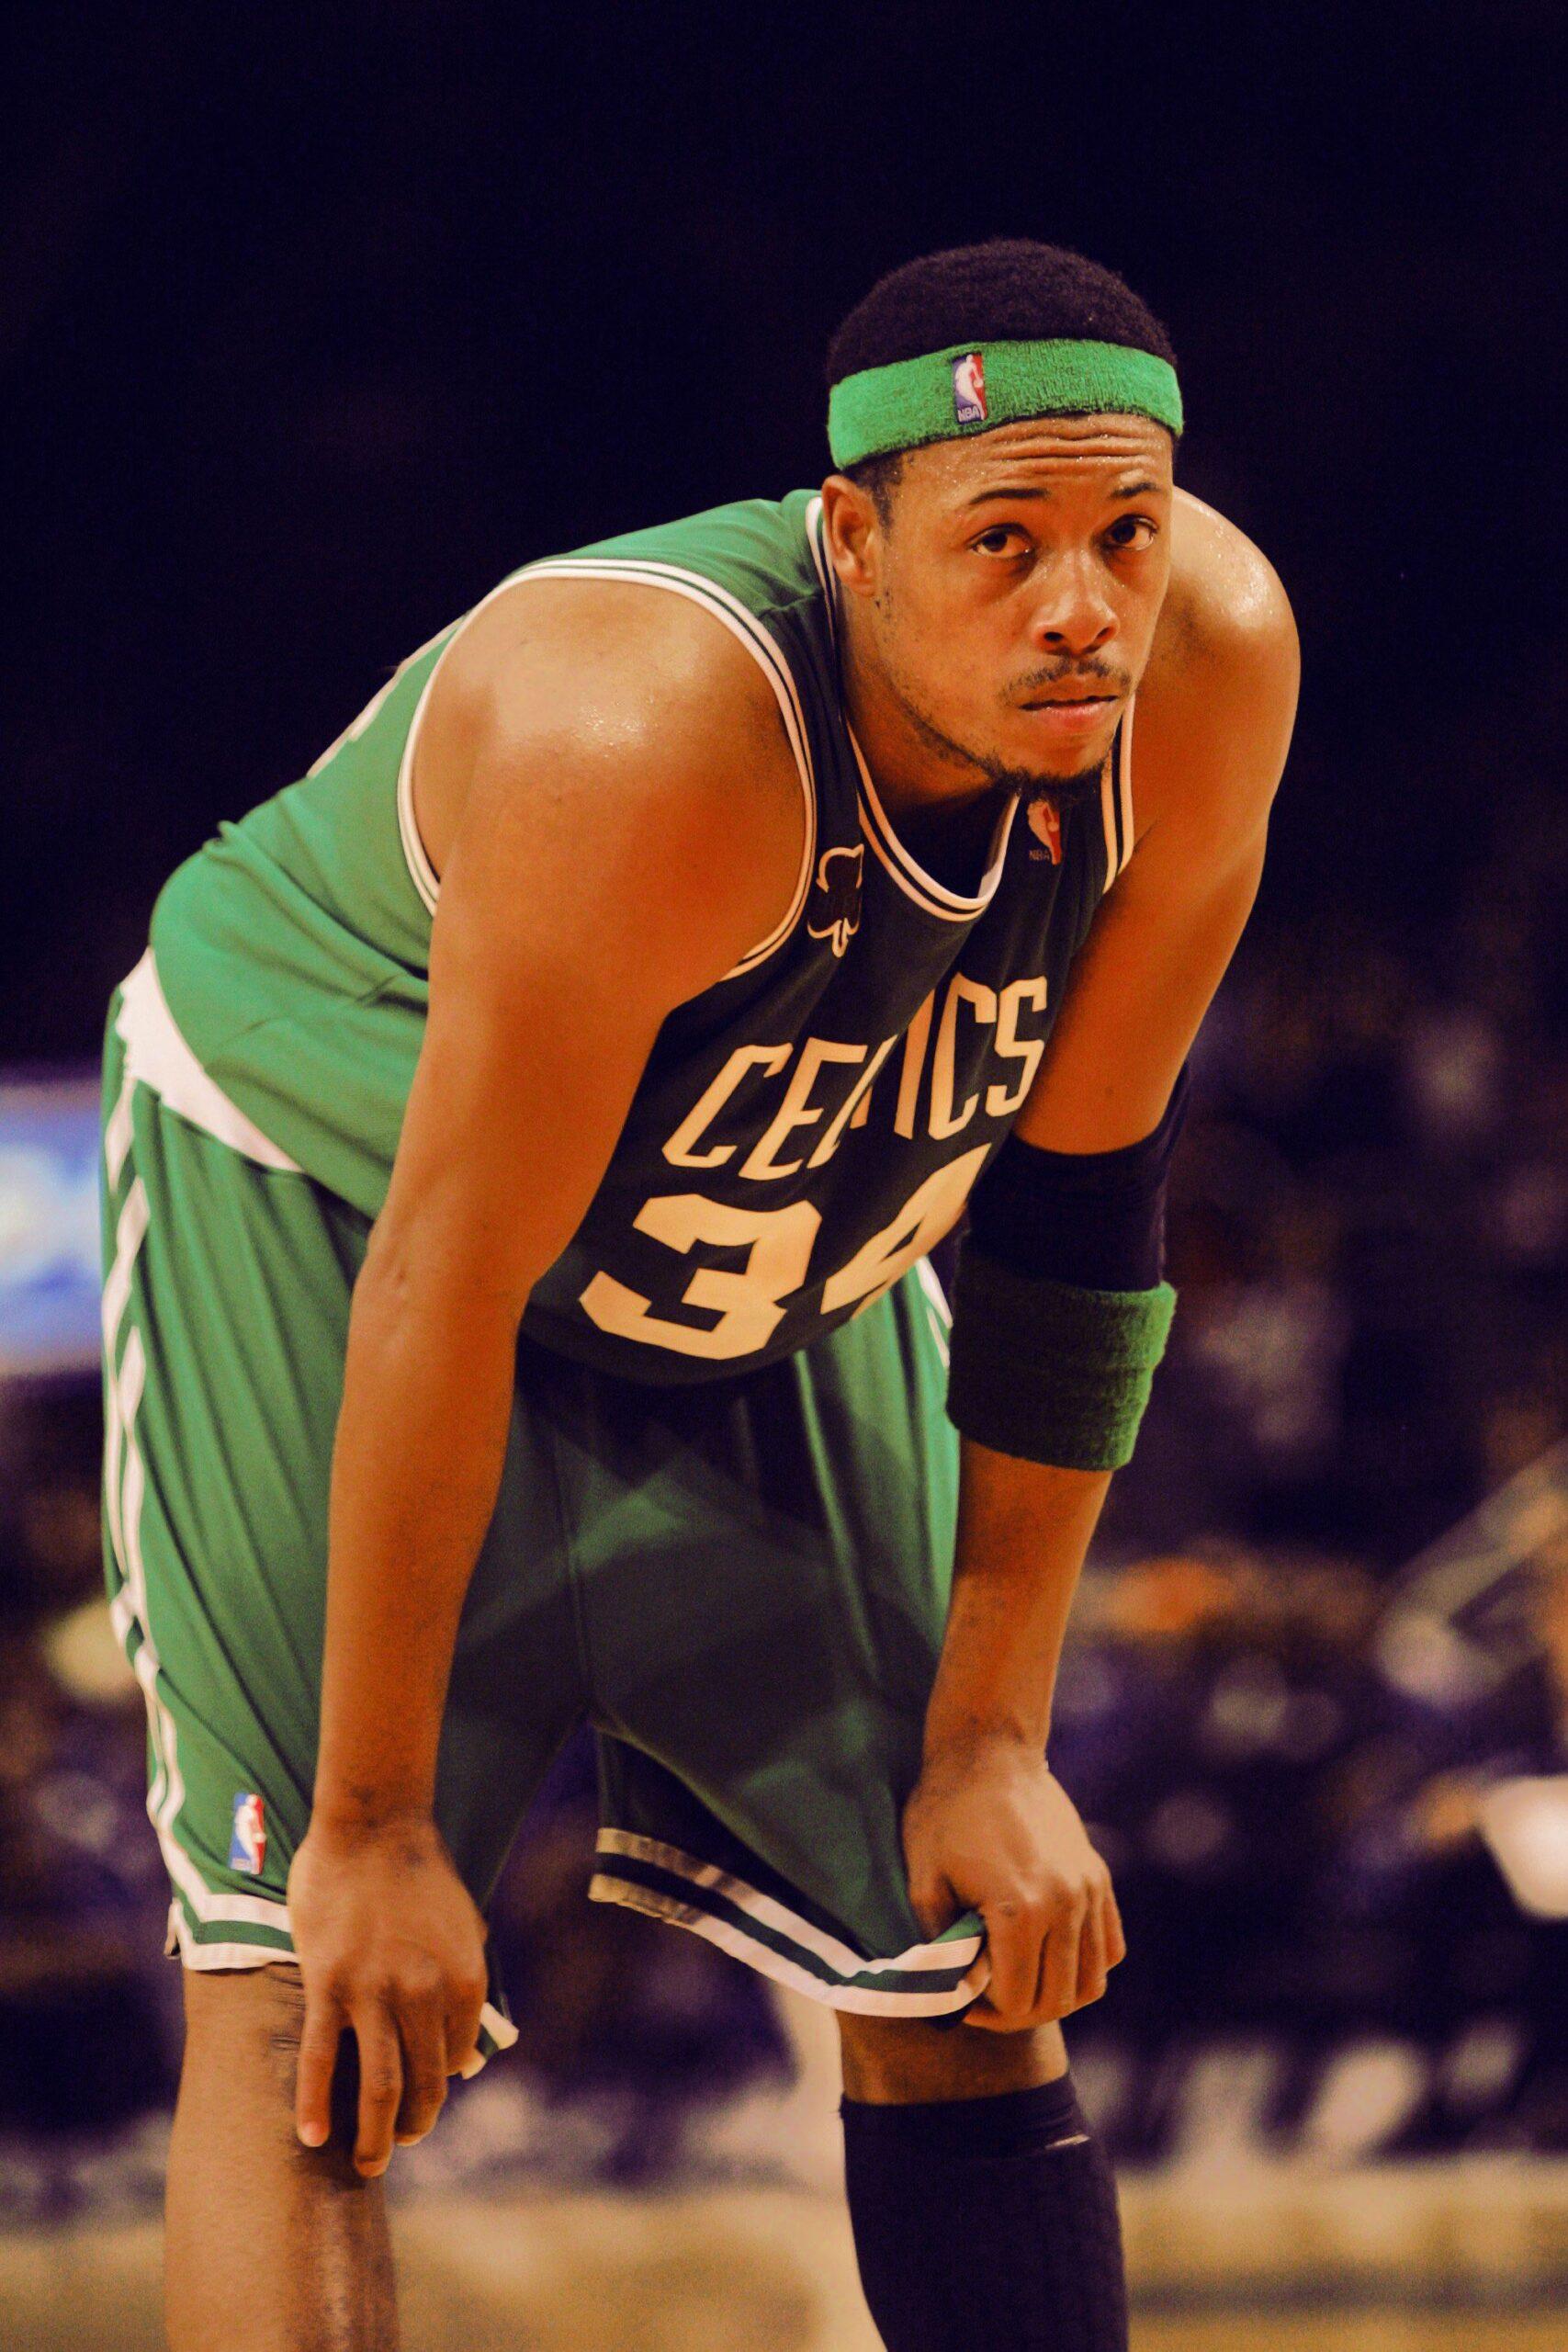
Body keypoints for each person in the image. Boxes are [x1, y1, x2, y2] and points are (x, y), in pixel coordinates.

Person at [99, 239, 1298, 2348]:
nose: (1080, 605)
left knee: (956, 1935)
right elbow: (446, 1274)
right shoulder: (641, 726)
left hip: (738, 1196)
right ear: (849, 538)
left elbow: (1082, 1206)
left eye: (1123, 530)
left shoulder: (1207, 665)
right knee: (311, 1999)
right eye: (1000, 542)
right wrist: (368, 1822)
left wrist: (991, 1738)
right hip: (344, 1192)